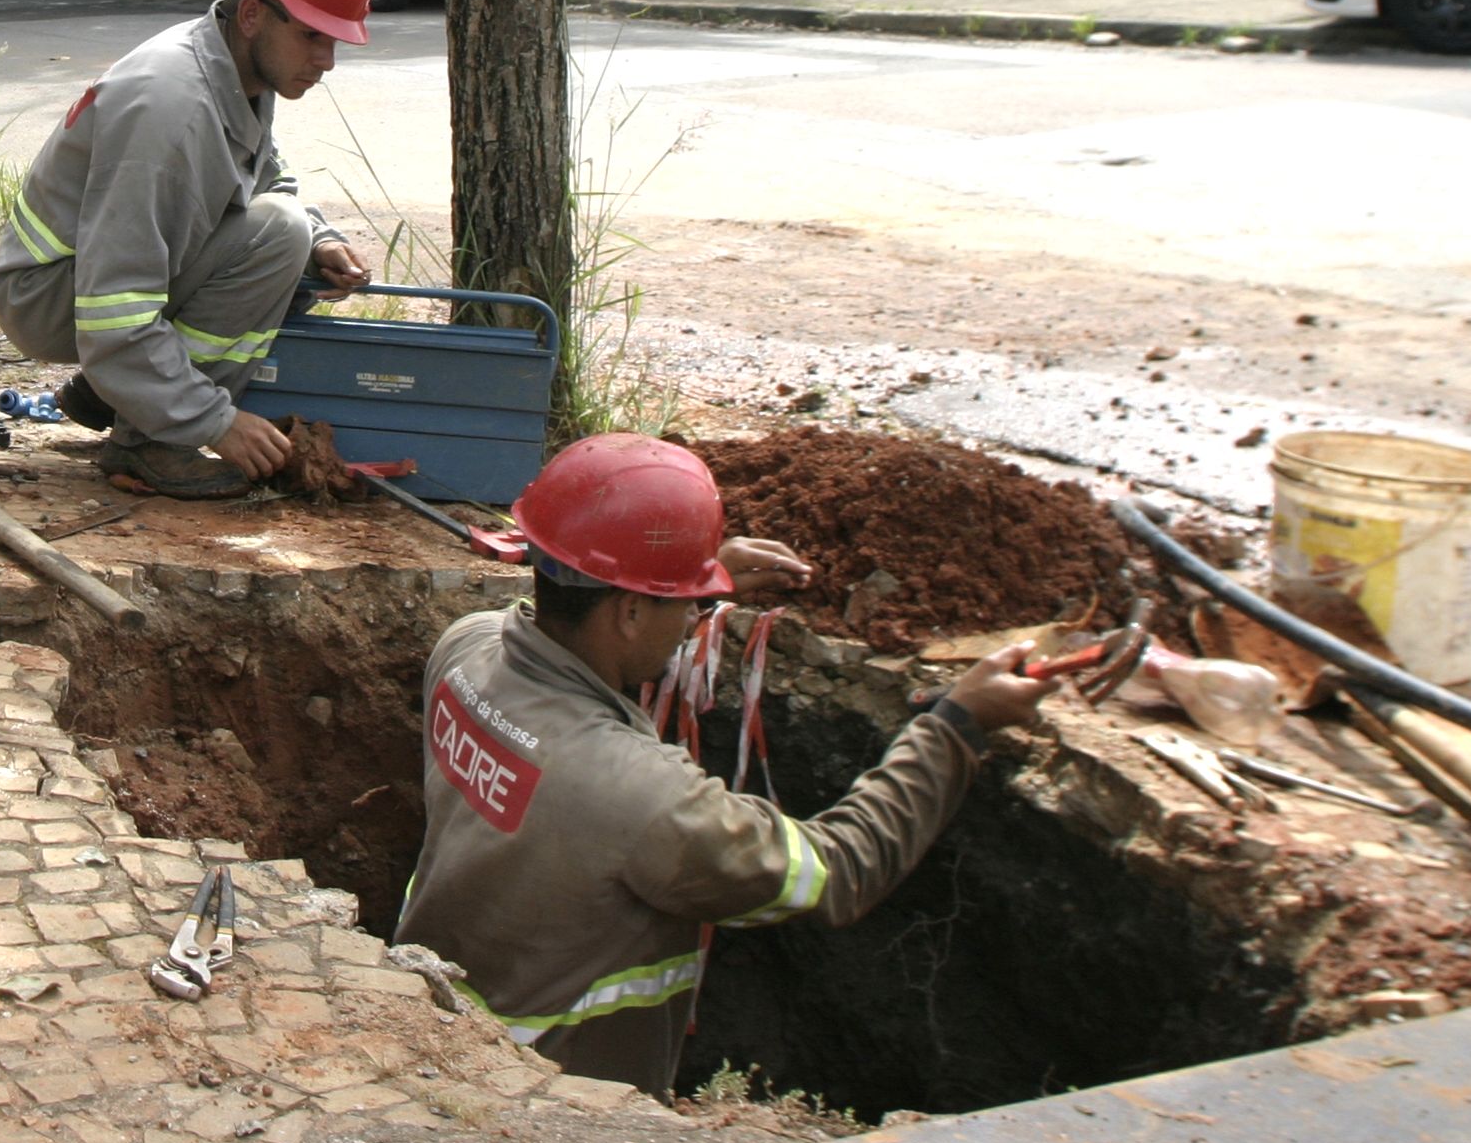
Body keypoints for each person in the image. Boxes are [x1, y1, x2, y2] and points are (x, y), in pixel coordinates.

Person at [391, 433, 1058, 1098]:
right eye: (681, 602)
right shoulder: (648, 800)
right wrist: (954, 727)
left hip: (430, 1032)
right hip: (550, 1108)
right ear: (628, 611)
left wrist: (686, 582)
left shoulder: (465, 651)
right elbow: (838, 871)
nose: (691, 618)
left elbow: (575, 636)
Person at [0, 0, 378, 498]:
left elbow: (261, 168)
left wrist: (322, 238)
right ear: (252, 14)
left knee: (294, 231)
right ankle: (150, 440)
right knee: (279, 236)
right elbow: (116, 309)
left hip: (83, 278)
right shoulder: (172, 112)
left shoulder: (232, 61)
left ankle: (113, 390)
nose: (325, 62)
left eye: (335, 42)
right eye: (311, 37)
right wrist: (216, 422)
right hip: (48, 294)